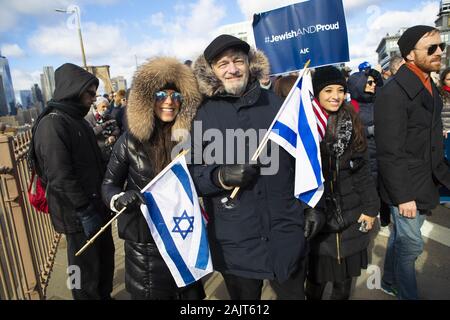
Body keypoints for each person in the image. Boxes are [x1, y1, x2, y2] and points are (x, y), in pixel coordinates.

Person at [190, 34, 324, 300]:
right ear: (212, 71)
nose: (232, 69)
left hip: (285, 234)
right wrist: (220, 176)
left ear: (249, 64)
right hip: (235, 242)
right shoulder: (201, 114)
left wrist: (314, 206)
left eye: (238, 60)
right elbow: (190, 176)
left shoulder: (279, 105)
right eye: (223, 64)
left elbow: (306, 161)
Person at [102, 57, 205, 300]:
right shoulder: (129, 141)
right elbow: (109, 184)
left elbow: (201, 178)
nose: (169, 101)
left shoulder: (191, 139)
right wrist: (119, 198)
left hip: (184, 240)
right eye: (161, 94)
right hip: (145, 247)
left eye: (176, 96)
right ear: (147, 99)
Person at [375, 25, 450, 300]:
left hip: (426, 180)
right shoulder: (393, 93)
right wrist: (403, 197)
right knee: (411, 246)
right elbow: (389, 152)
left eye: (441, 46)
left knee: (401, 240)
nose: (439, 52)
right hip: (405, 187)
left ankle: (388, 280)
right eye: (431, 48)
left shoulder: (429, 84)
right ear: (409, 54)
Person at [30, 63, 115, 300]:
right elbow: (59, 175)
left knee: (104, 260)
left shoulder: (76, 120)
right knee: (83, 270)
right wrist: (84, 210)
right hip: (77, 214)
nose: (93, 98)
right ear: (73, 90)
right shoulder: (52, 124)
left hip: (97, 205)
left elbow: (90, 160)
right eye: (89, 93)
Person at [305, 66, 379, 300]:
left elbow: (363, 172)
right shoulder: (306, 125)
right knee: (316, 281)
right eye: (328, 90)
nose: (335, 96)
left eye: (340, 90)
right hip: (319, 220)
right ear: (317, 93)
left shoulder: (352, 121)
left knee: (343, 284)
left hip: (351, 215)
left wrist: (370, 208)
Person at [85, 96, 120, 161]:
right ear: (96, 107)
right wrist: (104, 125)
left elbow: (117, 128)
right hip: (97, 153)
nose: (106, 109)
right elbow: (91, 133)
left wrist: (113, 136)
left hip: (111, 152)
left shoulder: (110, 116)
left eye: (107, 107)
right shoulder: (88, 118)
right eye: (103, 107)